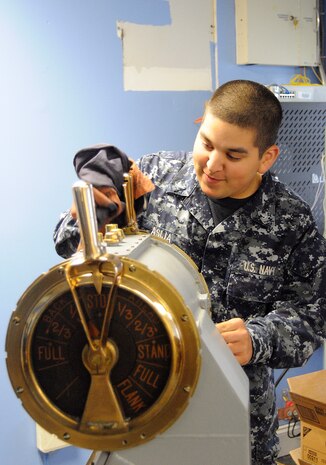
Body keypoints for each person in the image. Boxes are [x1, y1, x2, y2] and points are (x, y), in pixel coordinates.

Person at [53, 80, 326, 465]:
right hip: (140, 405)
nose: (213, 165)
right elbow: (67, 245)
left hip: (237, 419)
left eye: (234, 154)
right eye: (207, 143)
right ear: (200, 124)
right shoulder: (151, 178)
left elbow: (312, 315)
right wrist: (96, 215)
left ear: (266, 158)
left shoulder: (291, 221)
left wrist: (258, 337)